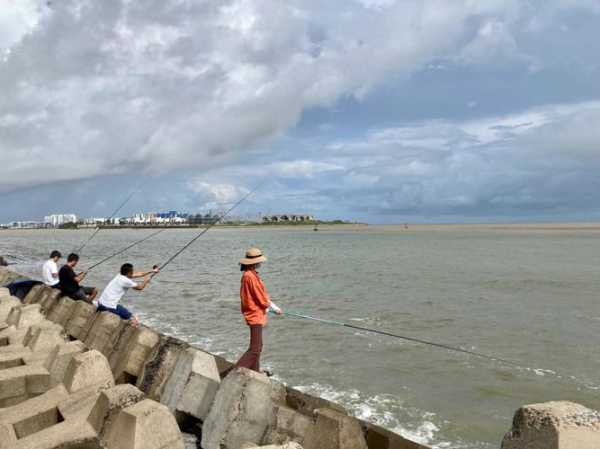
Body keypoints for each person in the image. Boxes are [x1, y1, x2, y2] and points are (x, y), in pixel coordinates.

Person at [235, 247, 282, 374]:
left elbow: (260, 295)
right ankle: (235, 373)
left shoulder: (252, 274)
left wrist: (270, 306)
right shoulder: (249, 276)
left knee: (258, 347)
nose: (261, 263)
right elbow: (260, 297)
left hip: (257, 313)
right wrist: (272, 307)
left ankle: (255, 372)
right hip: (254, 315)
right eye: (259, 261)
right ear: (254, 262)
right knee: (255, 349)